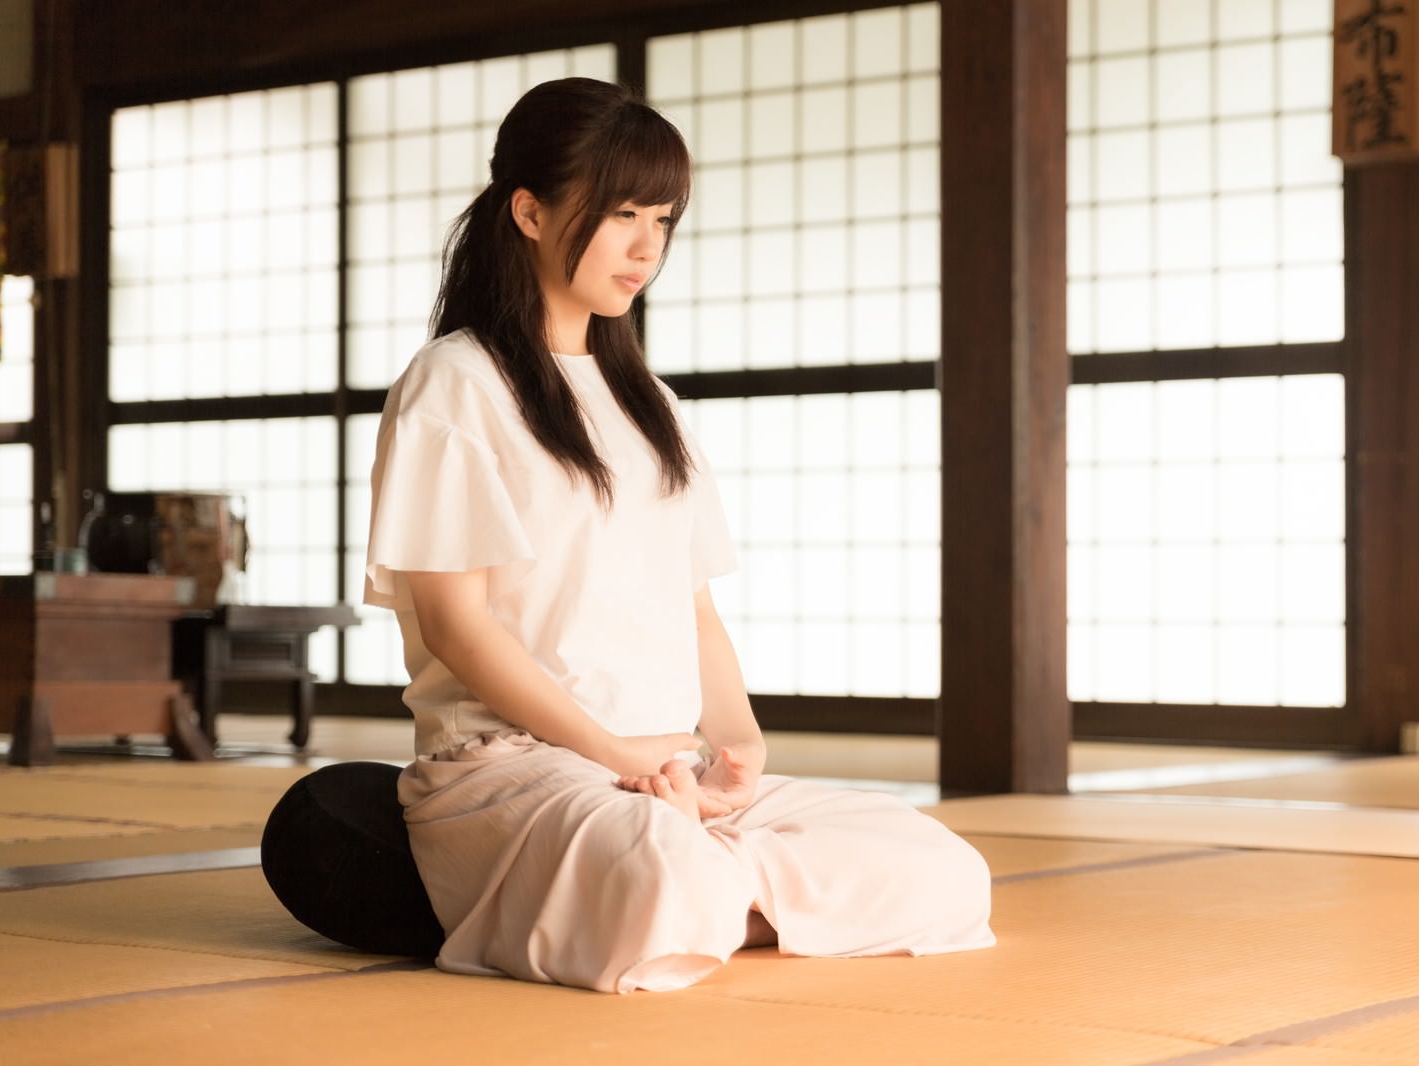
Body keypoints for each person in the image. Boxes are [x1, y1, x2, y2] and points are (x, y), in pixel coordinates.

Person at [364, 76, 994, 995]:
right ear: (530, 212)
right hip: (514, 774)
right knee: (662, 874)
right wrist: (615, 759)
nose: (646, 248)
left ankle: (700, 897)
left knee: (946, 868)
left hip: (665, 776)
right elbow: (460, 628)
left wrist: (738, 747)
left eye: (663, 221)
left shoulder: (647, 402)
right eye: (623, 215)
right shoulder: (456, 382)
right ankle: (704, 896)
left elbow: (691, 607)